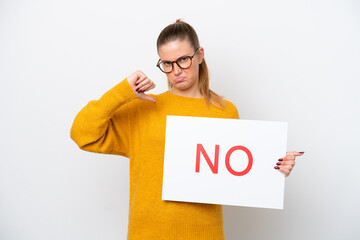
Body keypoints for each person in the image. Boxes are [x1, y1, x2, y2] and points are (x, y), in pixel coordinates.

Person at [70, 19, 304, 240]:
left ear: (200, 55)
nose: (176, 71)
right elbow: (82, 133)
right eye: (167, 64)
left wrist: (274, 166)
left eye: (183, 59)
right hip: (147, 234)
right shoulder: (143, 108)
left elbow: (238, 174)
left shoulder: (225, 112)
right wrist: (122, 92)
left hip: (204, 233)